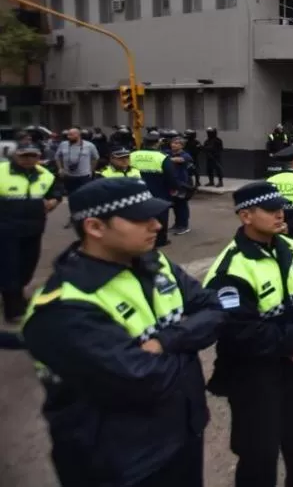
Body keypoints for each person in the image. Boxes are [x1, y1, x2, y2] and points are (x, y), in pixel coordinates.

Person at [21, 177, 225, 487]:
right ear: (95, 227)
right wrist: (189, 340)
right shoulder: (64, 307)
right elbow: (143, 382)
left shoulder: (154, 263)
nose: (157, 225)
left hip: (183, 434)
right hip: (122, 464)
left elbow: (215, 310)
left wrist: (167, 340)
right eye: (140, 218)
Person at [203, 182, 293, 487]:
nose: (280, 215)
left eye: (281, 208)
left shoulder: (291, 248)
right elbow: (240, 334)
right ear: (246, 216)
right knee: (258, 450)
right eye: (270, 210)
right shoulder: (230, 270)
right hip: (254, 375)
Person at [0, 143, 61, 323]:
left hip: (33, 230)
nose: (28, 159)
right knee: (10, 267)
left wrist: (53, 201)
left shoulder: (46, 175)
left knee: (27, 267)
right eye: (24, 155)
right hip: (6, 229)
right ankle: (13, 309)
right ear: (16, 156)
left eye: (32, 156)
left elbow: (56, 193)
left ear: (38, 157)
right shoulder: (2, 171)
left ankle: (15, 294)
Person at [55, 127, 99, 196]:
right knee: (71, 195)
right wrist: (60, 168)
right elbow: (57, 157)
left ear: (78, 135)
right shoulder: (63, 144)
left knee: (84, 195)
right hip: (68, 176)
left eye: (71, 135)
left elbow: (95, 158)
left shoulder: (89, 145)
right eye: (68, 135)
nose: (68, 137)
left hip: (84, 176)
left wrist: (91, 170)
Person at [167, 137, 194, 236]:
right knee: (175, 205)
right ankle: (177, 224)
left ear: (182, 146)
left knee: (182, 205)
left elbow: (180, 160)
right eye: (173, 143)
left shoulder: (185, 155)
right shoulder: (168, 153)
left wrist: (167, 159)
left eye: (177, 143)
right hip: (172, 183)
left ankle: (184, 226)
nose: (174, 145)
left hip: (182, 184)